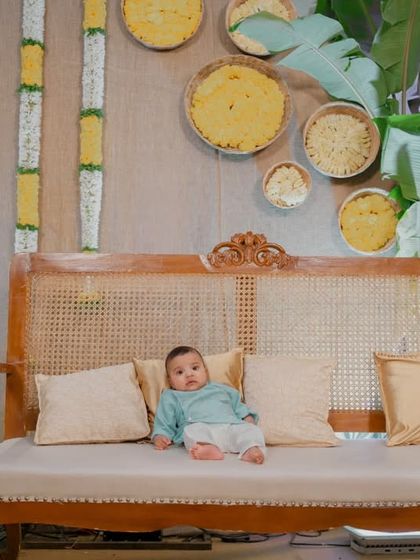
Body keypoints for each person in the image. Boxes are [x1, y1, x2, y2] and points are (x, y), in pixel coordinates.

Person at [152, 345, 266, 464]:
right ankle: (207, 448)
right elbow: (164, 421)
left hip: (230, 427)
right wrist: (160, 436)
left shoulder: (221, 389)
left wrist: (247, 418)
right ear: (170, 380)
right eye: (180, 372)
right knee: (191, 431)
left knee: (250, 430)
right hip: (201, 429)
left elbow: (238, 406)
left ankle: (249, 449)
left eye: (195, 368)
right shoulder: (171, 396)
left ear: (205, 371)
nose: (189, 374)